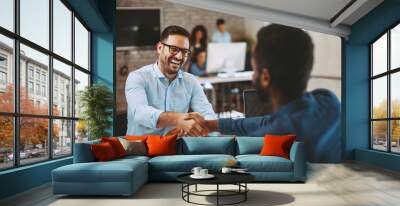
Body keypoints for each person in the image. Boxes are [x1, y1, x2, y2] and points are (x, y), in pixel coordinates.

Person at [189, 24, 341, 163]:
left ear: (265, 77)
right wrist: (210, 124)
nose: (253, 76)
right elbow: (265, 121)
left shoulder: (273, 136)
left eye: (254, 70)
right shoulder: (328, 100)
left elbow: (265, 125)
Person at [125, 25, 216, 136]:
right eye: (174, 49)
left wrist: (199, 125)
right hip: (141, 149)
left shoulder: (191, 81)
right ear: (159, 48)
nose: (179, 56)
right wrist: (179, 119)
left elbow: (208, 114)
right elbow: (140, 113)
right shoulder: (137, 77)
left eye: (185, 52)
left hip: (176, 148)